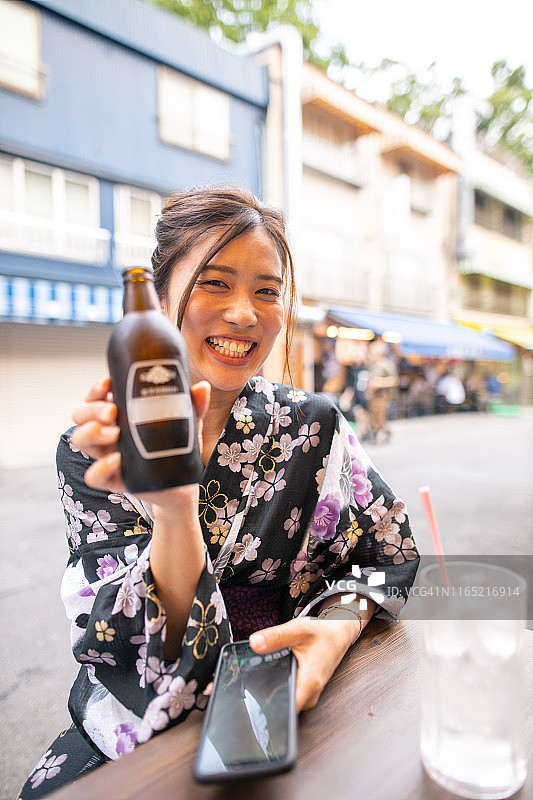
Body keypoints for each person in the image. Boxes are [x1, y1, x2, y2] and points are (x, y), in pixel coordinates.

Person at [20, 186, 419, 797]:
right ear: (157, 300)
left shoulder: (314, 426)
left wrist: (336, 628)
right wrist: (174, 510)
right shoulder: (92, 449)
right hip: (132, 726)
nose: (243, 313)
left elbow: (388, 556)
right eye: (214, 282)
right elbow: (125, 637)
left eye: (267, 290)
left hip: (278, 692)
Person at [366, 336, 399, 443]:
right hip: (373, 395)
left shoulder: (387, 364)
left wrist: (379, 383)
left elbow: (394, 380)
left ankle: (381, 433)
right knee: (373, 416)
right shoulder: (371, 365)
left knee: (380, 415)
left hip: (383, 395)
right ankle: (380, 433)